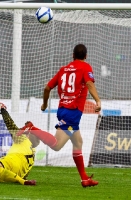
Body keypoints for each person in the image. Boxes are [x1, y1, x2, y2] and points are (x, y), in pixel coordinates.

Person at [17, 44, 101, 187]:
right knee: (57, 145)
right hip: (72, 112)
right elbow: (89, 83)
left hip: (62, 109)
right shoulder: (85, 67)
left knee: (78, 142)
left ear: (72, 55)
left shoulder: (63, 70)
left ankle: (84, 179)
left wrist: (44, 104)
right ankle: (32, 128)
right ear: (86, 56)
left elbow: (47, 87)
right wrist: (98, 100)